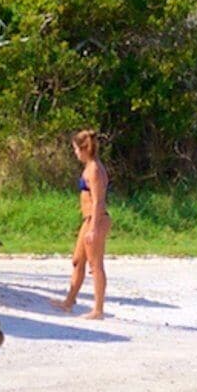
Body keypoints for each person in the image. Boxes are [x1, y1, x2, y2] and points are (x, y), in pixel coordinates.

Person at [60, 127, 110, 318]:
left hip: (96, 220)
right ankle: (69, 301)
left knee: (95, 265)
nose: (75, 153)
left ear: (84, 148)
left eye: (75, 149)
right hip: (88, 220)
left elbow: (98, 200)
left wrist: (94, 228)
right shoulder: (89, 167)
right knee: (77, 261)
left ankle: (98, 309)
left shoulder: (95, 169)